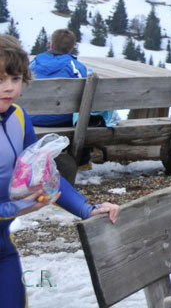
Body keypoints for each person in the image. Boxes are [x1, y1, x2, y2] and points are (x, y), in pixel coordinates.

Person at [1, 34, 119, 308]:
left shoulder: (18, 118)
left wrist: (87, 209)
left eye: (15, 78)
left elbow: (45, 176)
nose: (9, 88)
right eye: (0, 80)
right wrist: (20, 207)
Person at [29, 28, 117, 128]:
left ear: (51, 44)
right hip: (61, 119)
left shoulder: (32, 64)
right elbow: (88, 94)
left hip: (30, 117)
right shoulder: (76, 67)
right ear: (72, 48)